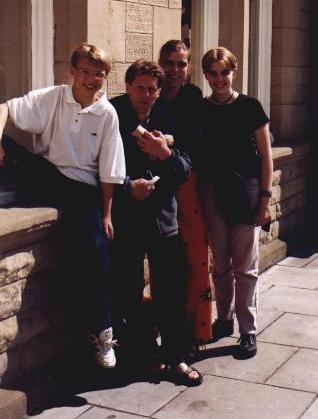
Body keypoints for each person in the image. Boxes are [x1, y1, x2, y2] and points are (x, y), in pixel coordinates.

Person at [0, 42, 126, 368]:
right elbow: (5, 108)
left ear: (105, 77)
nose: (91, 79)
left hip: (82, 189)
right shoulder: (54, 97)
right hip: (47, 175)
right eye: (84, 71)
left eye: (98, 74)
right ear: (72, 72)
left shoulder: (107, 114)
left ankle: (102, 332)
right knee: (6, 145)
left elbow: (111, 170)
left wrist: (107, 213)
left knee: (96, 250)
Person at [110, 59, 203, 386]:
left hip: (164, 220)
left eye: (152, 89)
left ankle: (176, 356)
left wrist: (165, 153)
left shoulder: (167, 117)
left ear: (159, 91)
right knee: (128, 291)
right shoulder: (112, 115)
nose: (146, 95)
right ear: (128, 87)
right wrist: (126, 188)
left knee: (171, 291)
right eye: (140, 88)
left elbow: (186, 169)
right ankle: (144, 356)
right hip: (125, 218)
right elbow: (93, 168)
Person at [199, 47, 273, 358]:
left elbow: (266, 155)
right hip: (213, 192)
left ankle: (248, 331)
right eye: (213, 73)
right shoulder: (201, 108)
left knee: (245, 267)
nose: (219, 79)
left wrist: (265, 199)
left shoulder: (250, 107)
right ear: (206, 75)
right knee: (221, 264)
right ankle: (224, 318)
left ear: (234, 72)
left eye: (224, 72)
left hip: (246, 191)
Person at [157, 40, 212, 351]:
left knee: (195, 257)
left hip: (188, 182)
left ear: (188, 67)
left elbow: (196, 141)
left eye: (180, 63)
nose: (174, 70)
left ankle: (196, 330)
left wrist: (170, 140)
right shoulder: (153, 93)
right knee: (166, 261)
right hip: (159, 183)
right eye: (169, 62)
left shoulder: (193, 98)